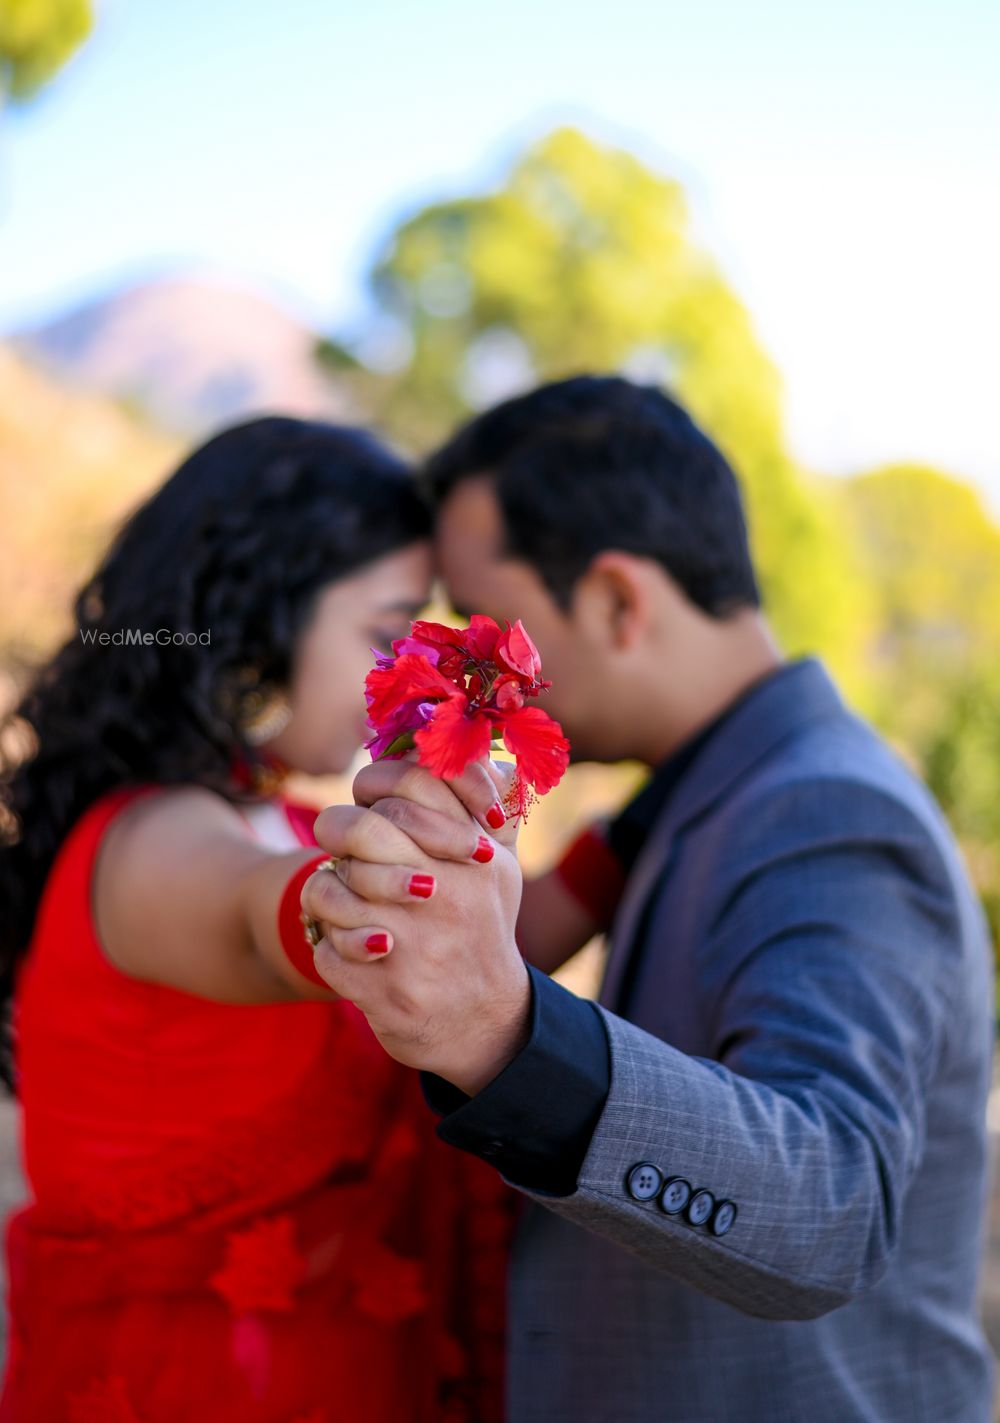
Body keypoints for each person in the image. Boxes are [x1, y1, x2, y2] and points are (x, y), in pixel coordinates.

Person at [302, 376, 998, 1422]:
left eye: (488, 614)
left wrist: (504, 1032)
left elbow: (831, 1207)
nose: (469, 653)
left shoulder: (826, 807)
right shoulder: (704, 793)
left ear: (618, 598)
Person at [0, 415, 540, 1423]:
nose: (408, 678)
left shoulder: (288, 811)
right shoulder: (149, 844)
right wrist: (378, 891)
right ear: (257, 618)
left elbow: (495, 960)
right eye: (386, 634)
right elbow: (268, 916)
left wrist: (634, 826)